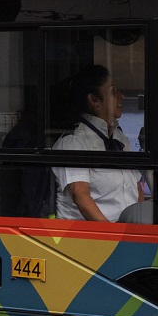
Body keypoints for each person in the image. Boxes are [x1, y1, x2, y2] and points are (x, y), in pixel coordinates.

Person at [52, 64, 143, 223]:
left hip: (128, 235)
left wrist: (140, 228)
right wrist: (114, 236)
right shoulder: (74, 142)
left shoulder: (119, 138)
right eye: (113, 91)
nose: (120, 95)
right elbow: (80, 196)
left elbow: (136, 189)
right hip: (91, 240)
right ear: (94, 100)